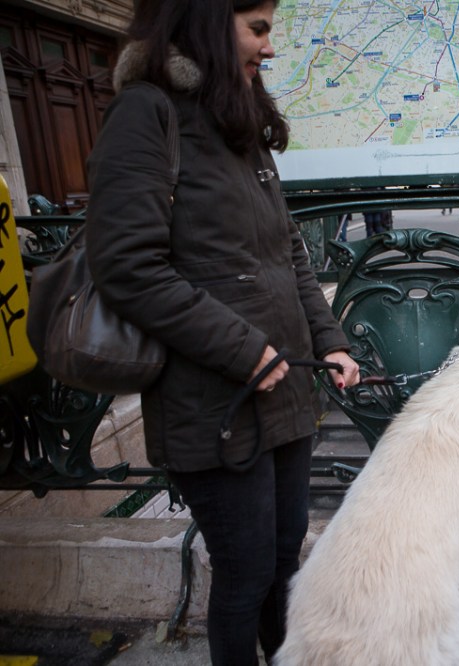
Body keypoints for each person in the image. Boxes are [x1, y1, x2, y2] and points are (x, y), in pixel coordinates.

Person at [84, 1, 361, 663]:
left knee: (281, 563)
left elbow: (287, 251)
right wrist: (244, 351)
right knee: (244, 577)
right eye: (258, 29)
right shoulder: (146, 114)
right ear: (207, 21)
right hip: (215, 405)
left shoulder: (239, 120)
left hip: (286, 387)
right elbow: (126, 266)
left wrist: (329, 340)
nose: (269, 50)